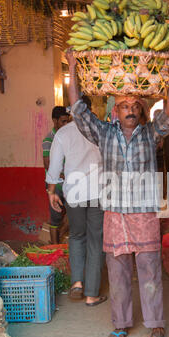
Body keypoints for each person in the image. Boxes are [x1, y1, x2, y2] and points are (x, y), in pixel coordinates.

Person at [66, 49, 169, 337]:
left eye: (135, 105)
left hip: (143, 214)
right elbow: (77, 109)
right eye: (123, 105)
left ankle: (156, 326)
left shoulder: (150, 134)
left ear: (142, 111)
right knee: (117, 273)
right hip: (115, 214)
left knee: (150, 271)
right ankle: (120, 324)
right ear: (114, 111)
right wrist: (71, 66)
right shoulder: (103, 133)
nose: (130, 109)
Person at [45, 96, 106, 307]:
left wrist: (52, 192)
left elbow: (54, 167)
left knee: (77, 236)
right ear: (90, 110)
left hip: (74, 193)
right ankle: (91, 294)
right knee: (96, 240)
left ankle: (77, 283)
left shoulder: (63, 133)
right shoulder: (101, 130)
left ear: (71, 111)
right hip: (99, 191)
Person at [43, 106, 70, 244]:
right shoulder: (49, 139)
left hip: (69, 184)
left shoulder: (67, 136)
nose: (66, 125)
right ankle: (54, 250)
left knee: (72, 216)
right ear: (54, 120)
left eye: (67, 121)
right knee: (55, 219)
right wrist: (66, 175)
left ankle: (58, 241)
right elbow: (48, 164)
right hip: (56, 185)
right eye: (63, 121)